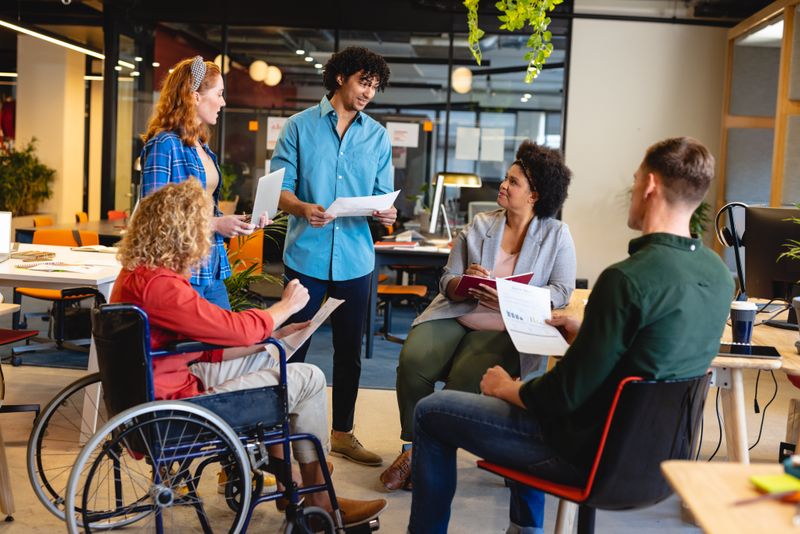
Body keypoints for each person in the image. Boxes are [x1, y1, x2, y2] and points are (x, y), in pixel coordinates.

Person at [407, 137, 735, 533]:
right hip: (659, 460)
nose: (630, 193)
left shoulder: (624, 280)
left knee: (431, 411)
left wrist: (505, 388)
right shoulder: (718, 276)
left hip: (583, 450)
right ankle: (525, 528)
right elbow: (650, 361)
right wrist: (588, 333)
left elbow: (560, 396)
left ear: (649, 186)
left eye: (633, 182)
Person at [110, 179, 387, 527]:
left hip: (161, 387)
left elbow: (205, 342)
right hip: (177, 407)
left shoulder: (137, 275)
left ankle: (292, 481)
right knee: (309, 377)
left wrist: (269, 338)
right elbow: (231, 328)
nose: (207, 236)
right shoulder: (162, 287)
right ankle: (315, 493)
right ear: (182, 232)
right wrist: (285, 308)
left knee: (273, 357)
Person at [380, 141, 576, 491]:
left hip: (507, 324)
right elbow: (446, 280)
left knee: (463, 383)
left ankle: (421, 456)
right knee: (412, 362)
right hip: (459, 311)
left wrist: (510, 295)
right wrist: (463, 282)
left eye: (514, 182)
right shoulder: (479, 224)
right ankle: (413, 447)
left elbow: (562, 291)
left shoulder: (556, 235)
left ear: (535, 195)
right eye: (506, 178)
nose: (503, 185)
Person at [272, 46, 395, 467]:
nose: (368, 93)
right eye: (364, 82)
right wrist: (302, 208)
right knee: (294, 347)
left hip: (356, 259)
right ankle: (281, 435)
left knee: (349, 351)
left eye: (375, 87)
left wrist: (387, 212)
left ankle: (342, 433)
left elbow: (381, 197)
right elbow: (280, 191)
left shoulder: (377, 136)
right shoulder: (298, 127)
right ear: (341, 76)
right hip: (306, 254)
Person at [140, 56, 265, 310]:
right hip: (181, 269)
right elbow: (153, 218)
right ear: (195, 96)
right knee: (201, 347)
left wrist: (243, 222)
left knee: (225, 344)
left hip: (211, 267)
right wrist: (216, 224)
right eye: (219, 94)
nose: (223, 102)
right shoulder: (165, 145)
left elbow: (206, 209)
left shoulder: (202, 146)